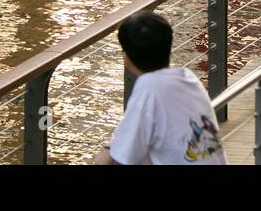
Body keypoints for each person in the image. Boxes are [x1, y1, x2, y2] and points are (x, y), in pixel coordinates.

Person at [93, 11, 226, 165]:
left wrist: (109, 148)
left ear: (126, 57)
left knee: (104, 159)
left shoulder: (149, 88)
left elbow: (118, 158)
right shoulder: (188, 77)